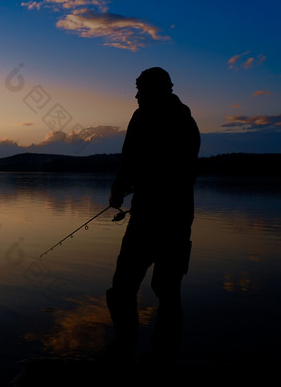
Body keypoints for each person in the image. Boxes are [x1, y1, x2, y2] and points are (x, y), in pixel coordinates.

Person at [105, 67, 200, 364]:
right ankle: (159, 355)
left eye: (140, 89)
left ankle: (126, 349)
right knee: (164, 289)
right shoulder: (185, 119)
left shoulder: (149, 117)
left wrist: (120, 191)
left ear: (157, 89)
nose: (136, 95)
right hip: (174, 217)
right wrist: (127, 187)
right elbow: (137, 161)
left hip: (155, 219)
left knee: (127, 287)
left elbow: (130, 159)